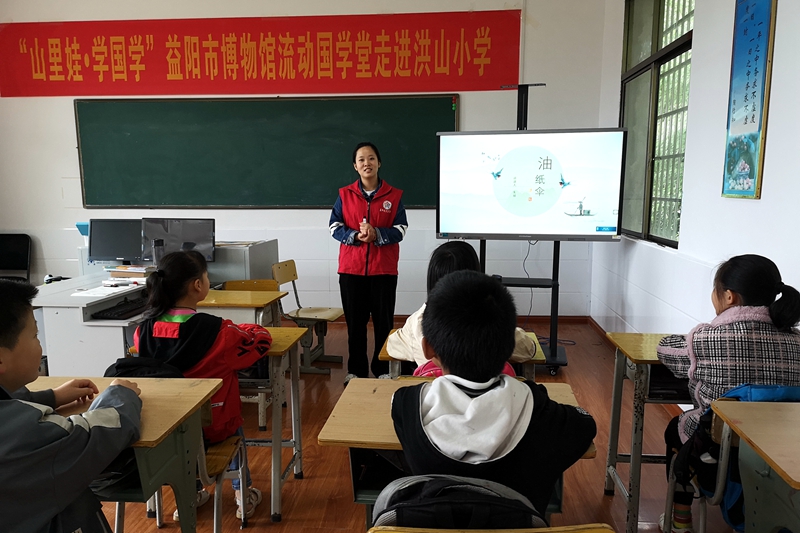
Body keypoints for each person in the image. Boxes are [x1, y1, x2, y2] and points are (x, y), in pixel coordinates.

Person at [391, 270, 596, 517]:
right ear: (510, 347)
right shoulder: (538, 410)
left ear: (428, 349)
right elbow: (586, 425)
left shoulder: (405, 406)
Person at [657, 254, 800, 533]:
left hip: (718, 463)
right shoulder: (796, 342)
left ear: (729, 296)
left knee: (676, 428)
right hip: (784, 462)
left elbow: (665, 349)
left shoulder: (705, 340)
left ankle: (680, 521)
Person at [133, 250, 273, 520]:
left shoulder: (143, 332)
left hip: (168, 429)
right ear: (198, 285)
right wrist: (253, 328)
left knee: (186, 433)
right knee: (233, 428)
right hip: (216, 426)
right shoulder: (220, 332)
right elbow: (258, 343)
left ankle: (191, 494)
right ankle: (243, 495)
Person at [0, 280, 142, 533]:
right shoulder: (33, 436)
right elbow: (97, 432)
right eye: (35, 335)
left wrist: (51, 397)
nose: (40, 345)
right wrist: (122, 395)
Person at [386, 240, 537, 377]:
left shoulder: (417, 323)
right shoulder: (493, 321)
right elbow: (528, 349)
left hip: (433, 394)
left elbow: (392, 345)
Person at [329, 141, 408, 383]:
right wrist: (355, 236)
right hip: (351, 270)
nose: (367, 163)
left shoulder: (394, 196)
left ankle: (383, 369)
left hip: (383, 271)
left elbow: (401, 229)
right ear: (355, 166)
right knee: (355, 324)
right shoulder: (345, 195)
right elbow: (334, 226)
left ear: (379, 163)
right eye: (361, 159)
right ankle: (356, 370)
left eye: (371, 158)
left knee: (384, 323)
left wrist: (377, 234)